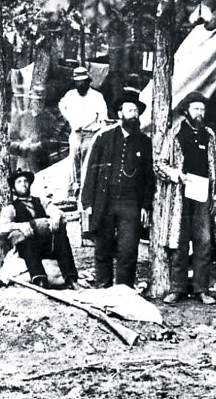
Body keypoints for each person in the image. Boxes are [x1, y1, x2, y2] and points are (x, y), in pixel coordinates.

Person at [155, 91, 216, 305]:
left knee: (204, 242)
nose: (200, 113)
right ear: (187, 110)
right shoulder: (176, 133)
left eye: (202, 109)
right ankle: (177, 288)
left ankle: (201, 289)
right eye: (196, 109)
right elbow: (159, 164)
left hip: (203, 195)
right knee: (179, 241)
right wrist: (178, 176)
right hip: (179, 196)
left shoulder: (210, 135)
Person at [80, 91, 155, 289]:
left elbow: (149, 178)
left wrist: (146, 206)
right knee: (102, 247)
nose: (134, 115)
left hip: (131, 202)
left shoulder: (145, 143)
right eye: (130, 111)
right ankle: (103, 288)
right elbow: (91, 172)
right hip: (105, 200)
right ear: (120, 113)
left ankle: (124, 291)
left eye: (136, 112)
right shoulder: (104, 138)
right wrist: (87, 203)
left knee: (128, 249)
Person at [0, 169, 79, 289]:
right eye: (19, 182)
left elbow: (56, 211)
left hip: (47, 245)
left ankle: (71, 279)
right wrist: (19, 225)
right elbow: (0, 230)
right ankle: (40, 280)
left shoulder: (40, 201)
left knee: (62, 238)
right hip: (28, 250)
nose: (24, 183)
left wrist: (55, 218)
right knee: (25, 241)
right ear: (13, 189)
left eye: (26, 181)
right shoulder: (11, 208)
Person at [58, 66, 108, 197]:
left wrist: (100, 133)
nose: (81, 84)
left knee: (88, 162)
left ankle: (86, 193)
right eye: (78, 82)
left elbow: (103, 117)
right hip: (76, 133)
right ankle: (73, 192)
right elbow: (61, 105)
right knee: (74, 160)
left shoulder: (97, 96)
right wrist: (69, 118)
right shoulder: (70, 95)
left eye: (83, 81)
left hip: (90, 134)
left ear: (88, 81)